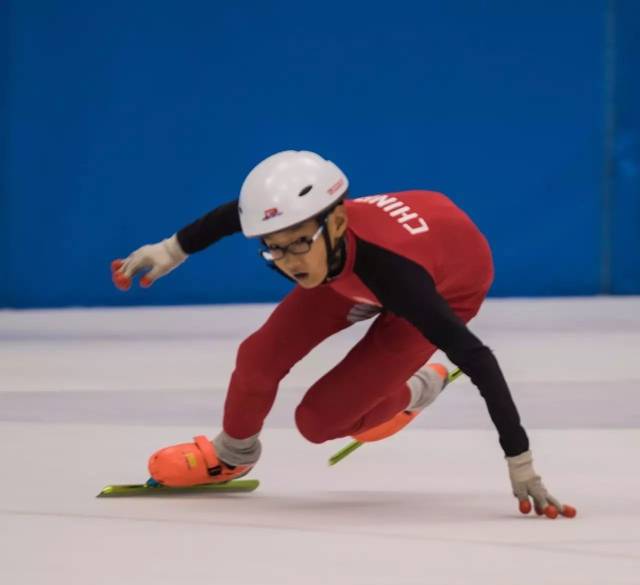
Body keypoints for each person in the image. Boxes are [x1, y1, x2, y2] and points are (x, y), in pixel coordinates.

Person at [111, 150, 576, 519]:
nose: (290, 262)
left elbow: (479, 359)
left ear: (336, 222)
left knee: (319, 422)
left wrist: (521, 464)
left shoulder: (397, 277)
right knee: (257, 356)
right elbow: (236, 214)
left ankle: (418, 389)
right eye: (274, 249)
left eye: (297, 245)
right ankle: (231, 456)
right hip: (364, 259)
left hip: (448, 278)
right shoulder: (313, 234)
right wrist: (171, 250)